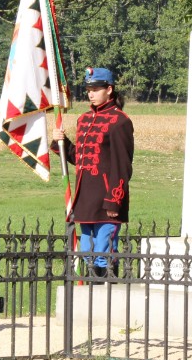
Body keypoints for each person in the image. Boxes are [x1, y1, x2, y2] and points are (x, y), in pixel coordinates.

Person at [51, 67, 134, 278]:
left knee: (103, 253)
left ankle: (104, 293)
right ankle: (88, 293)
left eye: (96, 89)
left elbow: (122, 166)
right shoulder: (84, 120)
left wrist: (114, 201)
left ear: (109, 89)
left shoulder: (120, 121)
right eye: (89, 90)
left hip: (107, 198)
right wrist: (61, 142)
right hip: (85, 197)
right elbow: (79, 158)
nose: (91, 94)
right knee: (87, 252)